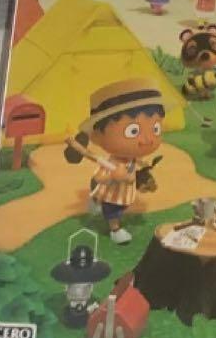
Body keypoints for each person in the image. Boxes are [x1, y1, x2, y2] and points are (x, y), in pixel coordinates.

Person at [64, 78, 165, 244]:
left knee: (121, 206)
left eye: (155, 129)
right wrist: (113, 176)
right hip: (113, 194)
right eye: (133, 131)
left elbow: (136, 160)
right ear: (97, 136)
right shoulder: (111, 164)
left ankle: (97, 201)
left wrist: (142, 164)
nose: (147, 140)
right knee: (113, 211)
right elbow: (97, 173)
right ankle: (115, 230)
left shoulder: (131, 157)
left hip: (125, 193)